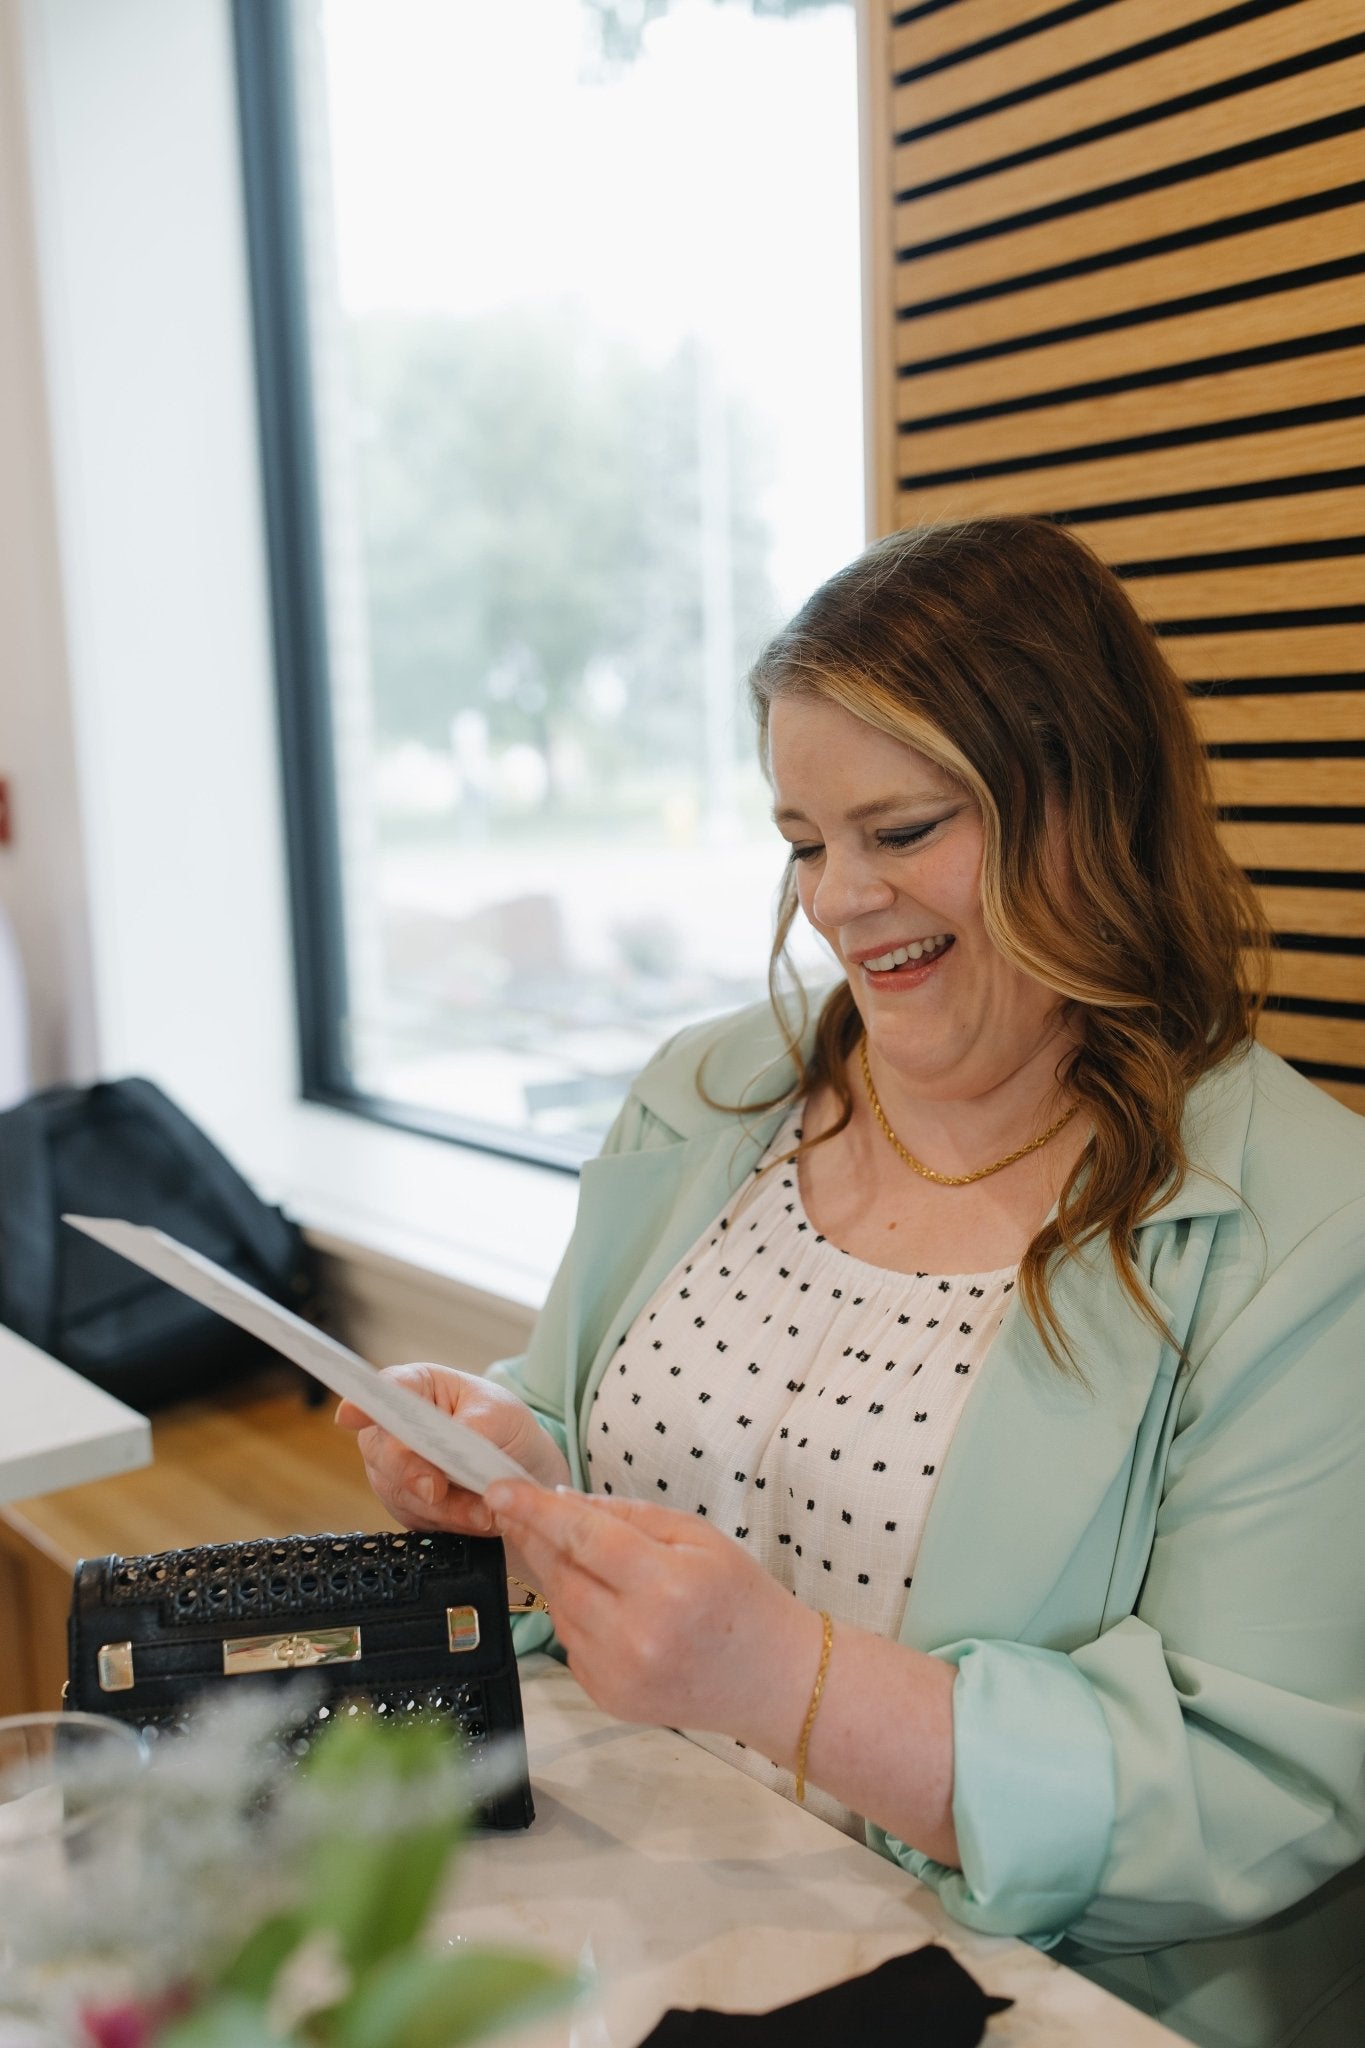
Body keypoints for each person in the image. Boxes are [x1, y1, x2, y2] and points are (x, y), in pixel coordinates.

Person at [340, 519, 1365, 2048]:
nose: (834, 900)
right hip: (631, 1892)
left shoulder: (1306, 1230)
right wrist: (513, 1459)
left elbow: (1250, 1787)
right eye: (804, 841)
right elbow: (575, 1403)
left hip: (1016, 1992)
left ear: (1091, 805)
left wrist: (788, 1680)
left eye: (900, 831)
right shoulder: (707, 1093)